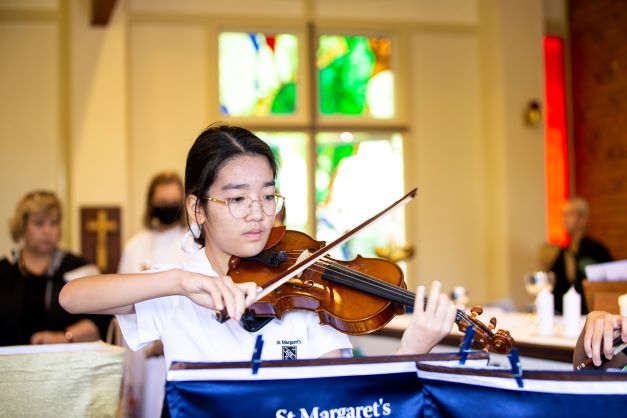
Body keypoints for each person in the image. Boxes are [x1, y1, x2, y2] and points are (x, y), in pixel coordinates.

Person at [60, 124, 456, 376]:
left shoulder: (306, 291)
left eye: (268, 196)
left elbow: (340, 401)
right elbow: (73, 297)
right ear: (197, 208)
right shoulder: (178, 284)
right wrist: (179, 281)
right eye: (237, 199)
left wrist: (410, 350)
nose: (258, 214)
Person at [117, 171, 190, 418]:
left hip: (179, 348)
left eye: (173, 203)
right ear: (150, 205)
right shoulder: (135, 246)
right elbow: (120, 299)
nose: (167, 208)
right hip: (141, 353)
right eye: (161, 203)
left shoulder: (192, 244)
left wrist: (165, 337)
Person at [0, 190, 110, 346]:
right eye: (39, 223)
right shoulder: (4, 272)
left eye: (54, 223)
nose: (48, 231)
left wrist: (64, 337)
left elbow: (102, 320)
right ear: (22, 225)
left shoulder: (78, 269)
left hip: (65, 364)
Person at [549, 197, 612, 314]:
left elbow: (607, 284)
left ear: (583, 218)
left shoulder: (597, 250)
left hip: (591, 311)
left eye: (570, 214)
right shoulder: (564, 251)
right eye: (564, 215)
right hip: (566, 312)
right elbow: (552, 281)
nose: (565, 219)